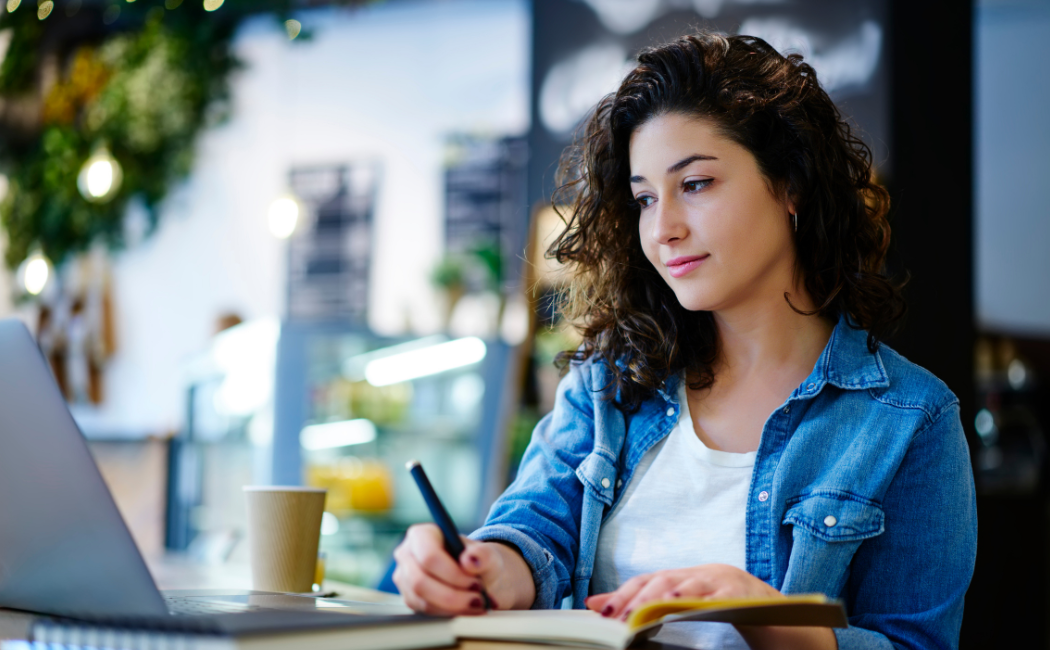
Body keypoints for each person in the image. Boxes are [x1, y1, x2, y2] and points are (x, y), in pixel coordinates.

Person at [393, 32, 977, 650]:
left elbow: (915, 642)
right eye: (645, 198)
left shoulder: (911, 421)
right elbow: (535, 535)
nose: (663, 228)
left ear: (791, 186)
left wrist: (764, 616)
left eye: (694, 184)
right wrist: (476, 570)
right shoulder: (608, 382)